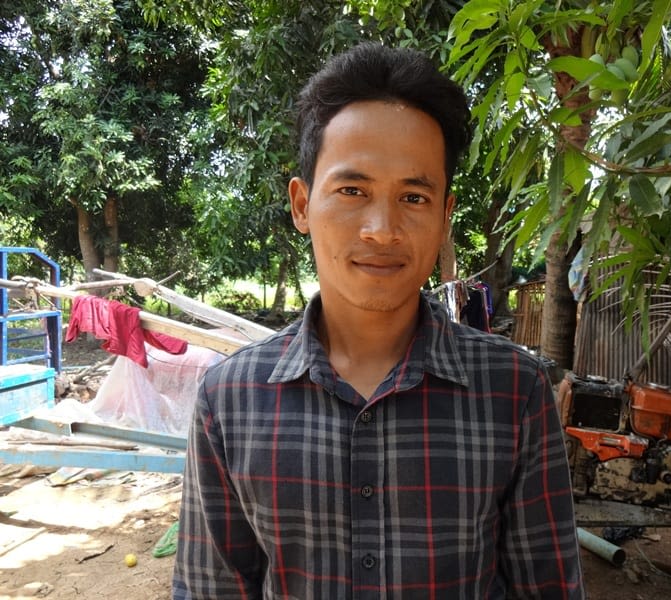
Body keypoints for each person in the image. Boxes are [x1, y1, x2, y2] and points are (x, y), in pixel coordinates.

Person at [172, 41, 585, 599]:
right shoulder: (229, 400)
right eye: (352, 190)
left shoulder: (514, 391)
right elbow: (212, 589)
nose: (382, 230)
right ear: (301, 205)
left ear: (445, 215)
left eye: (413, 197)